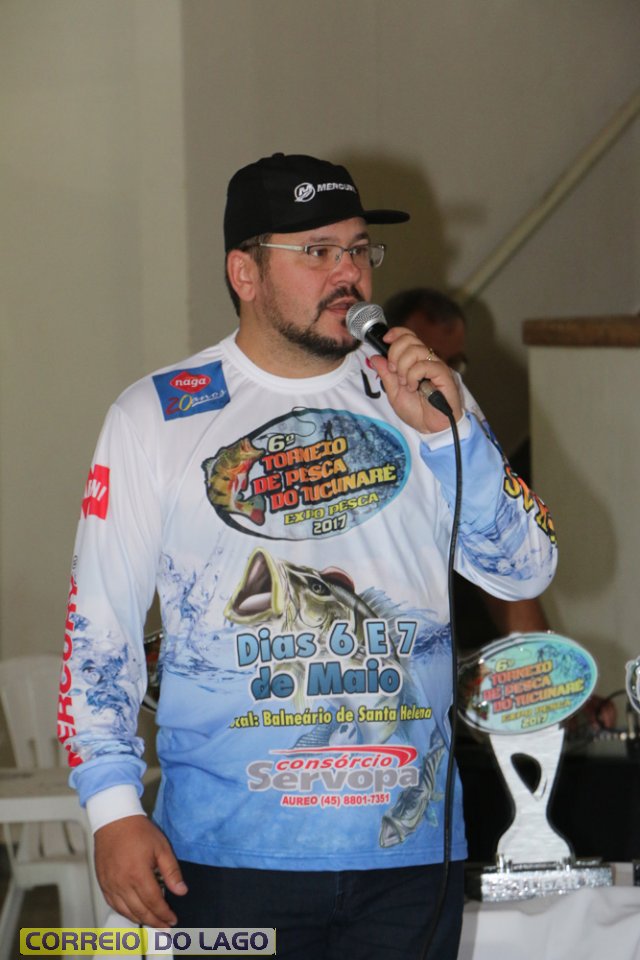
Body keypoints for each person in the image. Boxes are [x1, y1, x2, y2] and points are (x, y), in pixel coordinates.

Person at [57, 153, 557, 959]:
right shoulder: (156, 417)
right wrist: (113, 810)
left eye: (358, 249)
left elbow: (526, 569)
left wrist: (451, 436)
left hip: (409, 860)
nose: (348, 273)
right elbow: (99, 631)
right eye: (317, 251)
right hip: (225, 856)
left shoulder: (423, 398)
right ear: (244, 273)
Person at [383, 287, 550, 644]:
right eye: (425, 354)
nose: (435, 372)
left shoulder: (456, 420)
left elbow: (506, 557)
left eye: (451, 361)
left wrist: (547, 664)